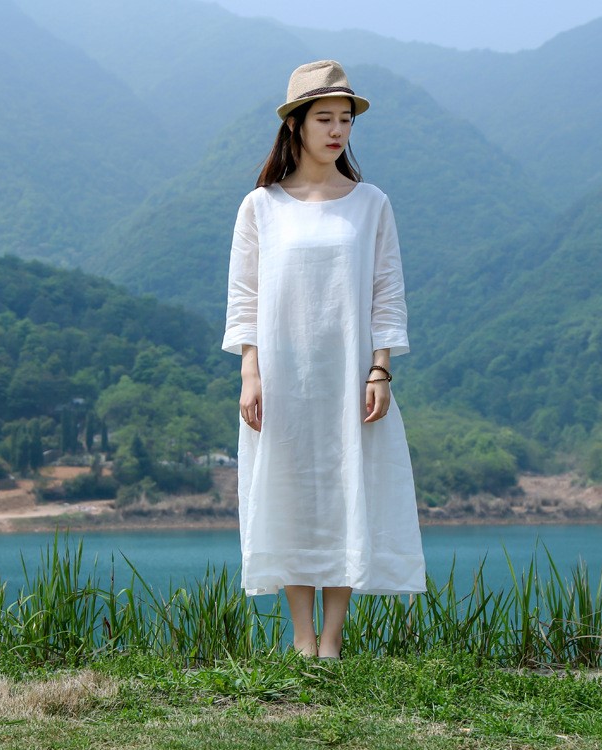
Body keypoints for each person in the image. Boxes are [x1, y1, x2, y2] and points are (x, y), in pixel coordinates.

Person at [222, 60, 425, 659]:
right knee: (287, 491)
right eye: (324, 119)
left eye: (346, 119)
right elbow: (245, 295)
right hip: (282, 375)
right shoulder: (260, 206)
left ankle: (331, 641)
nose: (337, 130)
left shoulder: (371, 204)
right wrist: (250, 373)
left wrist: (381, 368)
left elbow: (387, 291)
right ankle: (301, 637)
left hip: (349, 373)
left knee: (347, 490)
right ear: (297, 125)